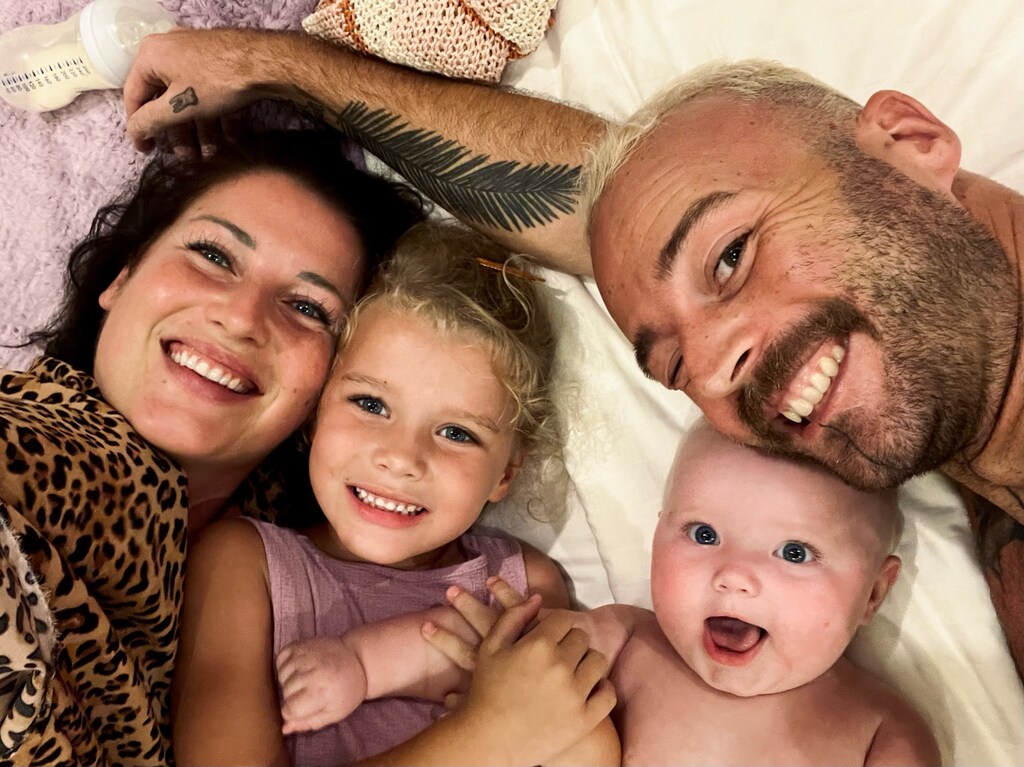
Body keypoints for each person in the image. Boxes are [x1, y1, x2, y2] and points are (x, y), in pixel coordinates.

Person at [121, 33, 1024, 677]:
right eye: (671, 368)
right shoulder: (957, 390)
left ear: (911, 147)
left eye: (732, 256)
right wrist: (272, 64)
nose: (715, 374)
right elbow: (612, 203)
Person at [0, 129, 425, 765]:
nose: (243, 316)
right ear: (120, 278)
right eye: (213, 255)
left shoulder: (311, 563)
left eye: (309, 307)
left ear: (337, 385)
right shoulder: (23, 450)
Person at [171, 221, 616, 766]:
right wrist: (487, 735)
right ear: (316, 411)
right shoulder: (244, 564)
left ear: (507, 472)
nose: (402, 458)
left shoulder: (524, 587)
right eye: (371, 405)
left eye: (457, 433)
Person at [287, 421, 940, 765]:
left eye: (795, 552)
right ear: (657, 537)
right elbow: (484, 644)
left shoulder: (882, 729)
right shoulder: (627, 640)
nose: (734, 574)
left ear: (873, 594)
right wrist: (362, 663)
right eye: (703, 532)